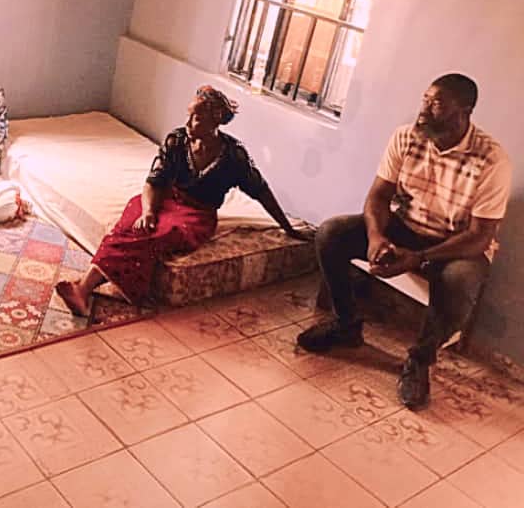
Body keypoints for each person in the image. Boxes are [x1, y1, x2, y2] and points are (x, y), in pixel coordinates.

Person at [297, 74, 512, 410]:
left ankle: (420, 360)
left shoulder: (492, 161)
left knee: (460, 279)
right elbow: (379, 196)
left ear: (465, 111)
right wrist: (376, 237)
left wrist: (419, 257)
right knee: (330, 233)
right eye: (425, 99)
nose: (423, 110)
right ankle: (346, 324)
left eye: (436, 104)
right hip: (406, 226)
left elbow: (479, 236)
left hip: (456, 245)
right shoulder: (407, 137)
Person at [56, 85, 312, 317]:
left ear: (215, 120)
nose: (188, 123)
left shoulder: (234, 157)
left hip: (196, 215)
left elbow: (261, 191)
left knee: (155, 235)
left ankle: (83, 288)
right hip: (163, 199)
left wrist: (287, 227)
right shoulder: (176, 141)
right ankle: (83, 289)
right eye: (188, 115)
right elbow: (153, 181)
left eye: (196, 117)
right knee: (131, 227)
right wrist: (148, 211)